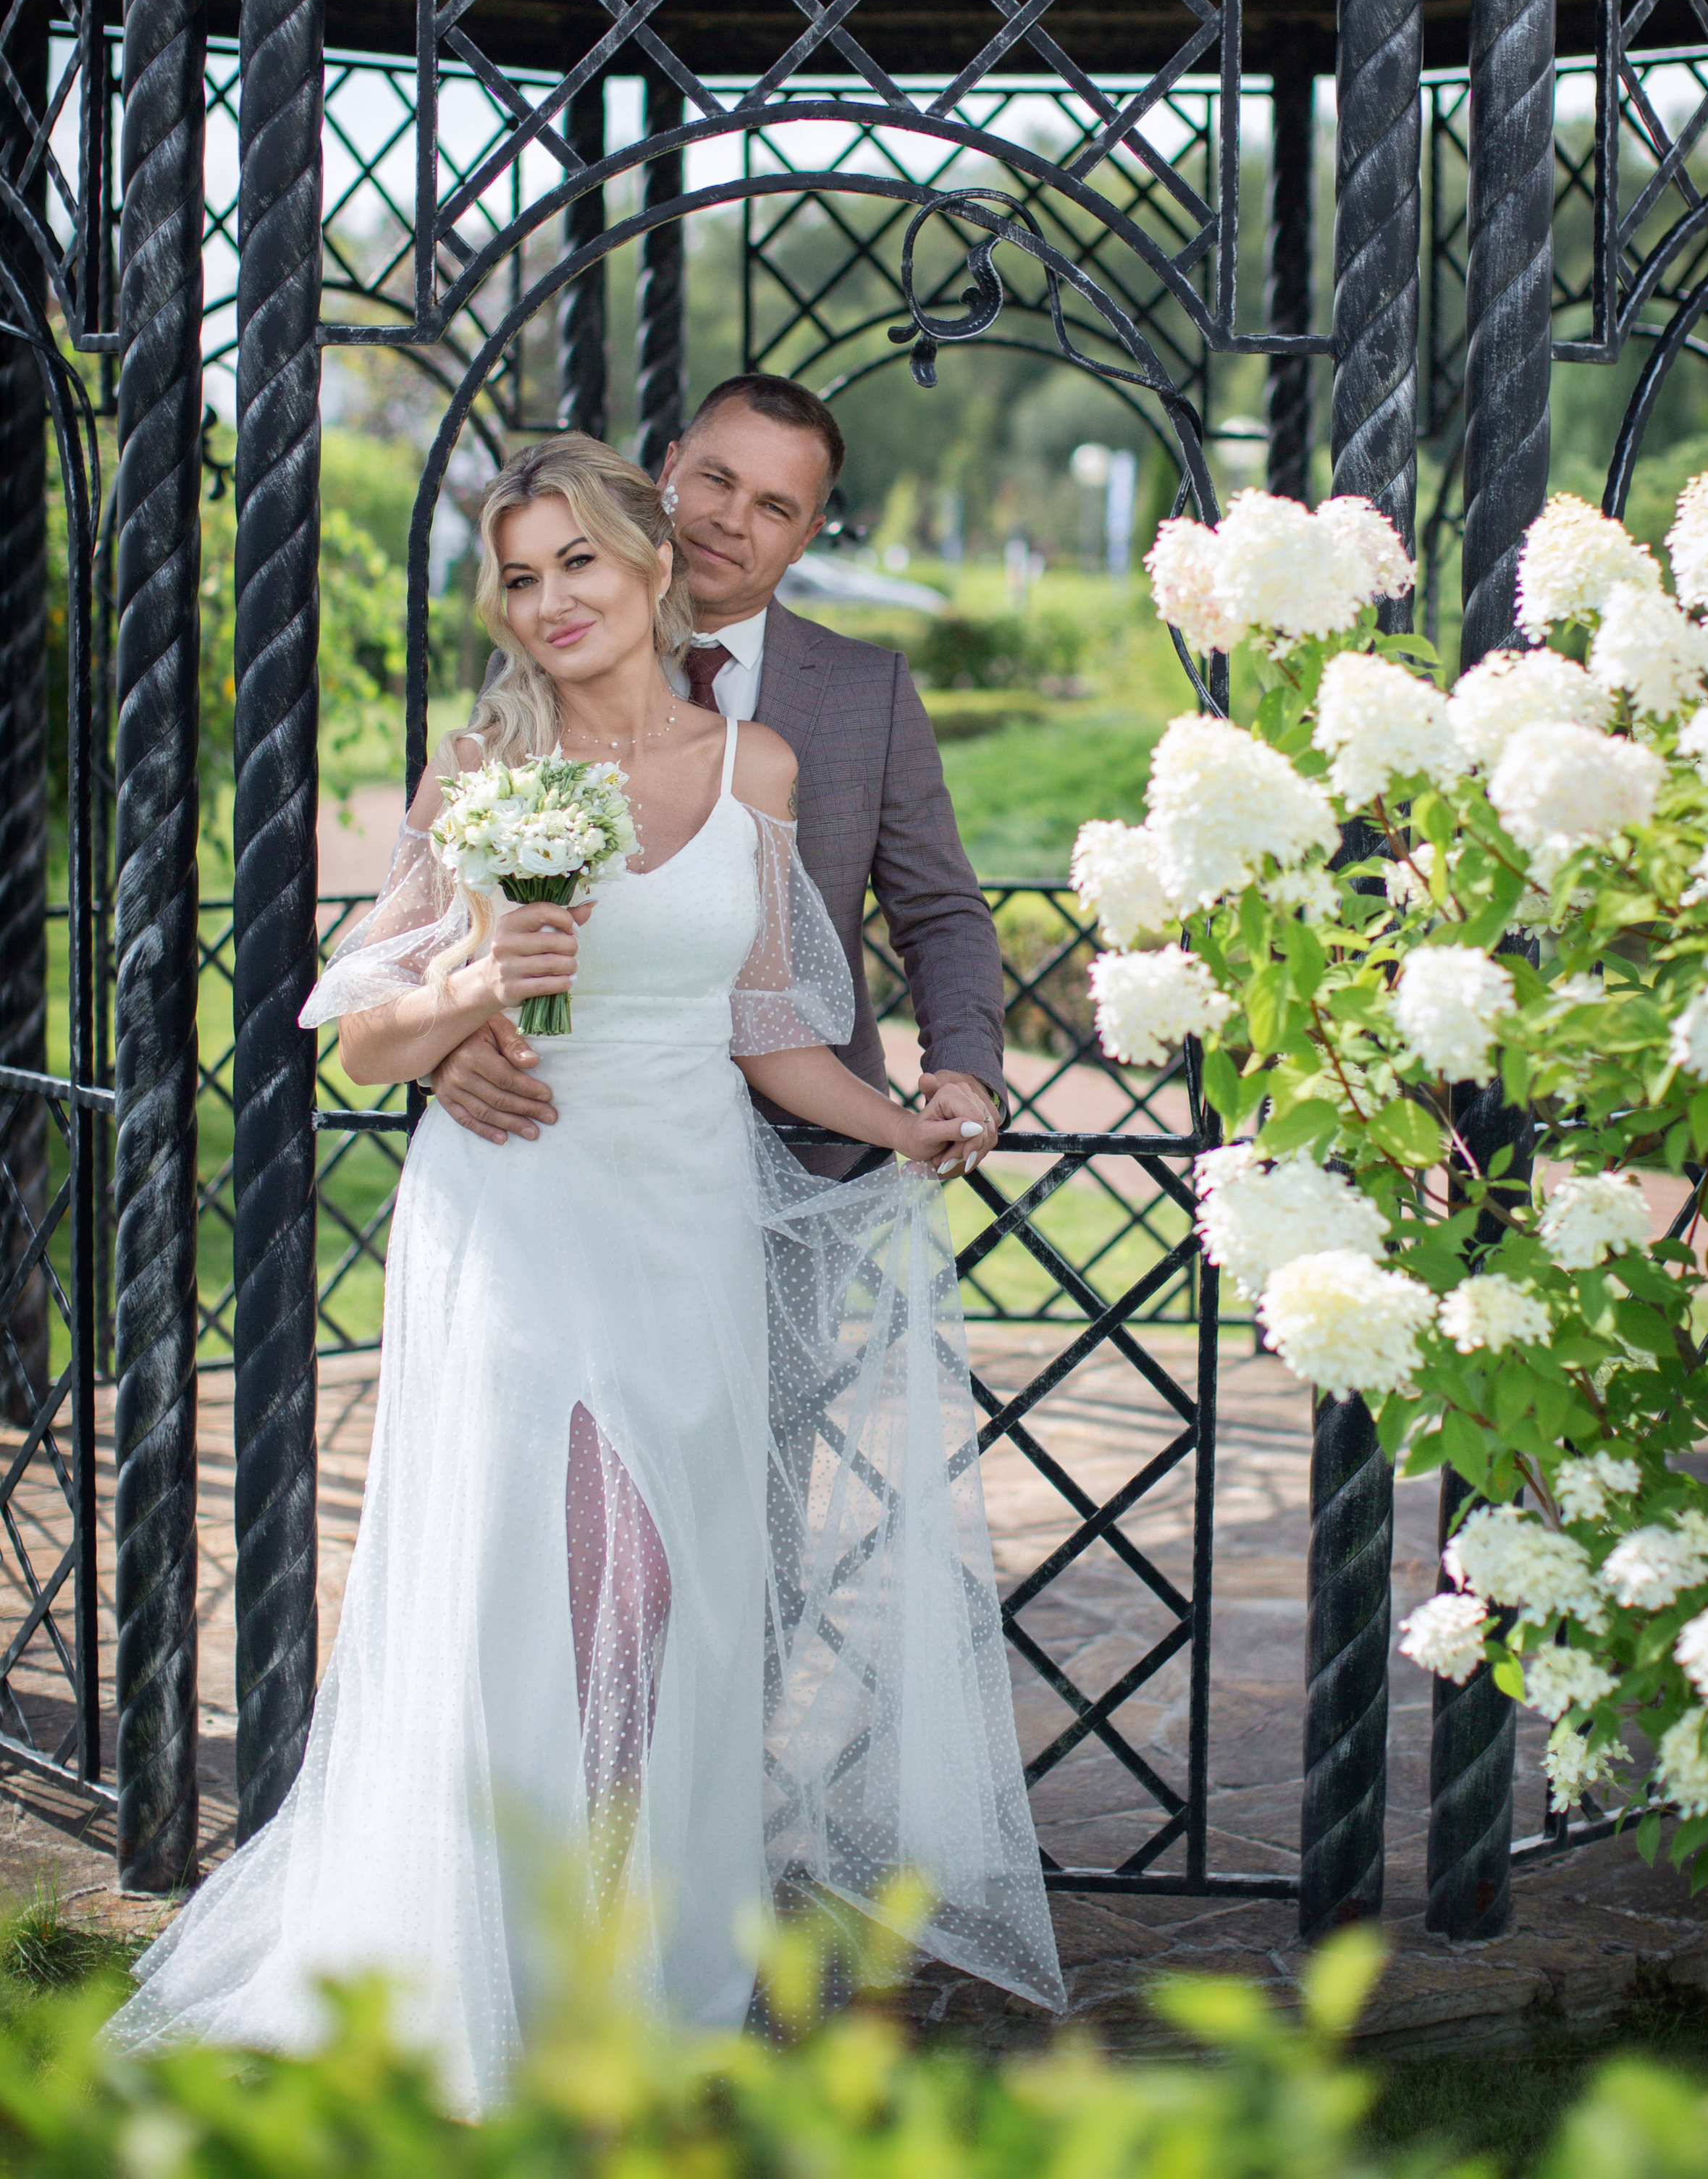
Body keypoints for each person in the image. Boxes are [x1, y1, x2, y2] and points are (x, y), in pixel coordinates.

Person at [109, 438, 1061, 2112]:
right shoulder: (483, 763)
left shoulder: (753, 764)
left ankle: (628, 1954)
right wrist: (476, 974)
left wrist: (904, 1117)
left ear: (649, 570)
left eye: (580, 568)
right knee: (562, 1582)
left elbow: (767, 1019)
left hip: (687, 1210)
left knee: (670, 1590)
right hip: (521, 1208)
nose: (548, 602)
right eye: (522, 576)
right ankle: (509, 1957)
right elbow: (358, 1043)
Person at [426, 376, 1006, 1176]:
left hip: (811, 1142)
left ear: (805, 536)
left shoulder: (868, 693)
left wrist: (968, 1076)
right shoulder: (537, 661)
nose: (730, 520)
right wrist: (446, 1043)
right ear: (668, 469)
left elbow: (939, 910)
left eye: (773, 507)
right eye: (716, 479)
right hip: (553, 1129)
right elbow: (452, 900)